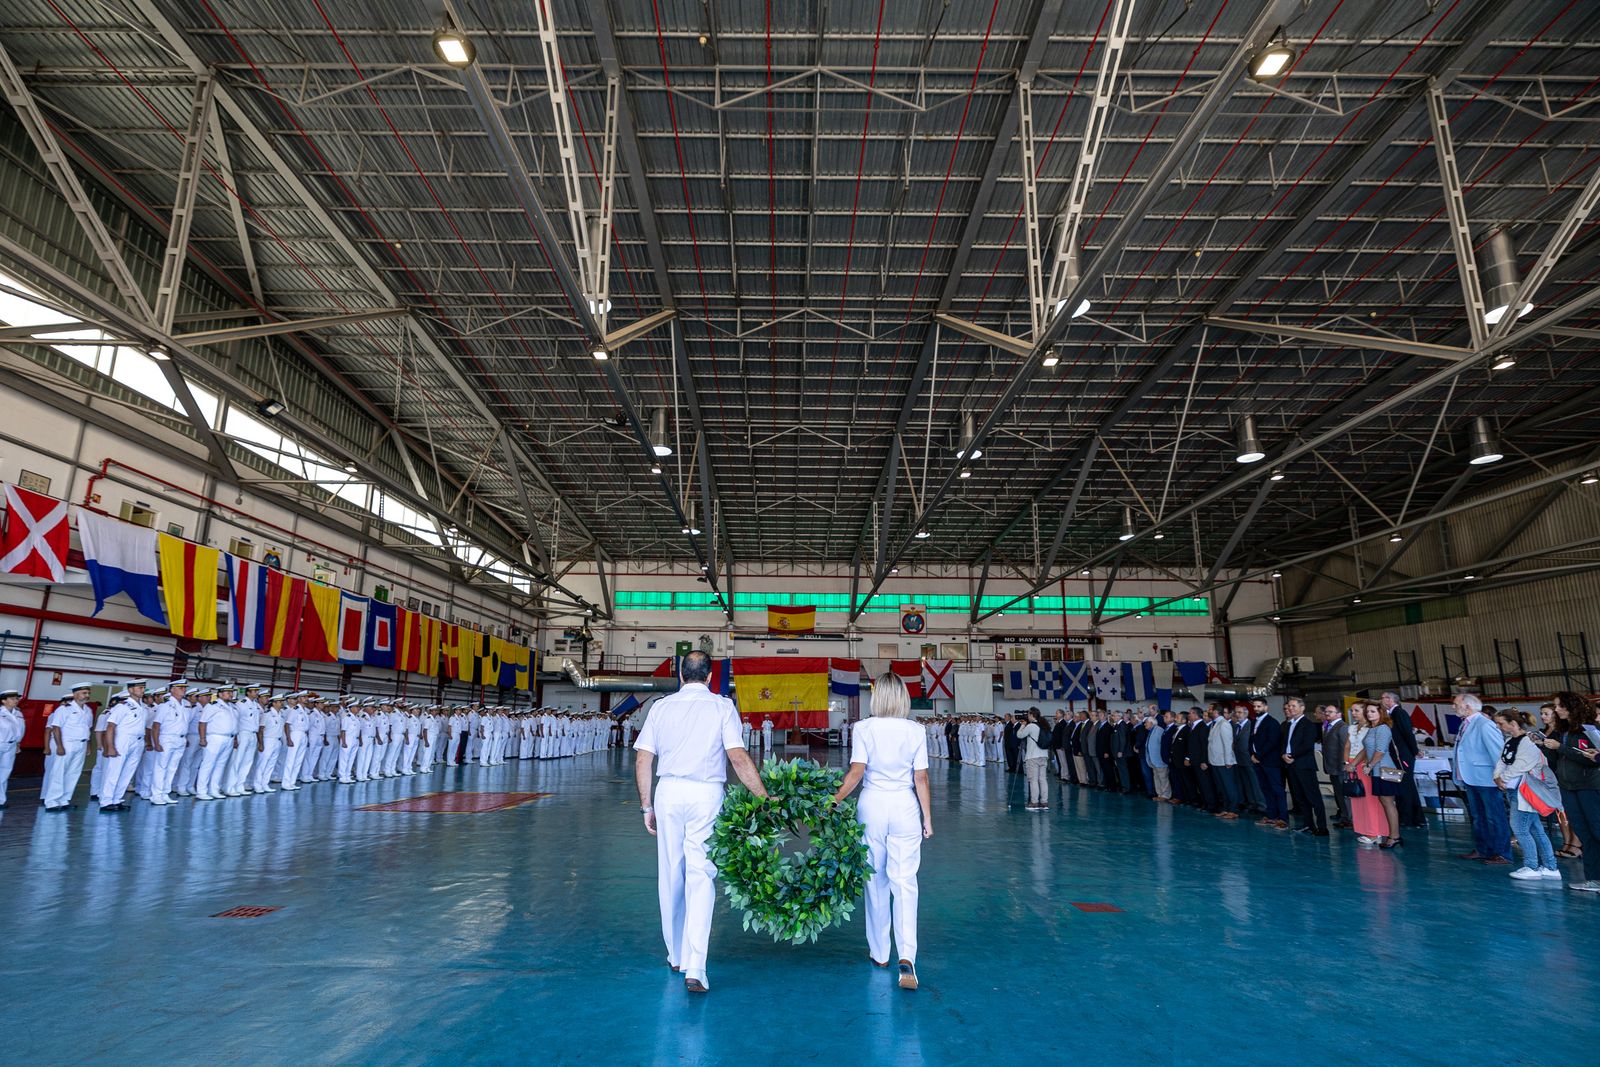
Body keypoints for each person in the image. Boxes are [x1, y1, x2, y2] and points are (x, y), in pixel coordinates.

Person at [634, 651, 769, 993]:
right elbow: (737, 757)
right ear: (710, 677)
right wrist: (763, 797)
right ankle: (696, 966)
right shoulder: (722, 707)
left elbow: (643, 758)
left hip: (668, 792)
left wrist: (646, 806)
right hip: (705, 794)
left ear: (681, 675)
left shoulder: (661, 707)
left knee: (671, 873)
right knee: (701, 874)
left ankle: (675, 955)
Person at [831, 671, 933, 991]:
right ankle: (907, 955)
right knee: (905, 883)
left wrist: (835, 799)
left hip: (872, 806)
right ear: (903, 697)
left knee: (875, 881)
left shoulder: (864, 728)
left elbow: (856, 772)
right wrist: (928, 818)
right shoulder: (916, 730)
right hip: (905, 807)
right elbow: (921, 778)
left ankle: (879, 953)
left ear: (877, 697)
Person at [1538, 691, 1600, 892]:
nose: (1556, 709)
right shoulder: (1561, 731)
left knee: (1597, 830)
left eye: (1559, 705)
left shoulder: (1589, 730)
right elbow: (1556, 760)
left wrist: (1561, 748)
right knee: (1584, 833)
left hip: (1589, 786)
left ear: (1571, 707)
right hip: (1567, 787)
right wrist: (1545, 747)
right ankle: (1594, 878)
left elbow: (1592, 760)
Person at [1492, 709, 1562, 882]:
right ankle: (1550, 867)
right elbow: (1502, 760)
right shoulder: (1509, 740)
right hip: (1514, 789)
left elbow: (1521, 766)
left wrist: (1503, 778)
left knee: (1520, 829)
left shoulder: (1528, 743)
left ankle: (1532, 866)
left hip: (1524, 791)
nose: (1498, 726)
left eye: (1501, 723)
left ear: (1513, 723)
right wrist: (1497, 776)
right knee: (1535, 830)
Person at [1452, 693, 1512, 864]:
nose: (1453, 707)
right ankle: (1483, 849)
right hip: (1471, 778)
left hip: (1486, 779)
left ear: (1467, 707)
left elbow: (1497, 752)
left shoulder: (1484, 724)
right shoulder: (1466, 723)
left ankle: (1503, 853)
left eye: (1456, 704)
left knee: (1494, 816)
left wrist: (1501, 776)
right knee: (1478, 816)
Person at [1349, 703, 1401, 849]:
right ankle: (1392, 835)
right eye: (1368, 711)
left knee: (1388, 803)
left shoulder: (1383, 728)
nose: (1369, 714)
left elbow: (1380, 751)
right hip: (1378, 770)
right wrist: (1356, 763)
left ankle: (1394, 836)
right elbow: (1367, 749)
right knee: (1384, 802)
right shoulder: (1373, 729)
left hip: (1386, 770)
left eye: (1373, 711)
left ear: (1381, 713)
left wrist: (1369, 765)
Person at [1280, 698, 1328, 836]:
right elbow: (1284, 742)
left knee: (1313, 797)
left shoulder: (1308, 724)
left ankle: (1322, 827)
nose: (1291, 708)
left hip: (1304, 765)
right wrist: (1283, 754)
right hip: (1291, 765)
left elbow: (1307, 745)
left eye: (1294, 706)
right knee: (1300, 797)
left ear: (1302, 708)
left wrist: (1292, 755)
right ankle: (1308, 825)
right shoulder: (1288, 724)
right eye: (1289, 706)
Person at [42, 686, 93, 811]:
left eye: (88, 693)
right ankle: (52, 801)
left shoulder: (88, 710)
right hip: (67, 743)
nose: (87, 695)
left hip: (81, 744)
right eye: (84, 693)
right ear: (75, 694)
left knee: (74, 773)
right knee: (58, 772)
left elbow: (88, 729)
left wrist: (88, 745)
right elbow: (56, 728)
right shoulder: (64, 709)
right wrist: (59, 746)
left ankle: (64, 800)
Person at [1346, 703, 1388, 843]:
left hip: (1366, 765)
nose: (1354, 713)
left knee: (1370, 799)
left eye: (1357, 710)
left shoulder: (1374, 728)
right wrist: (1349, 762)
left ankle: (1375, 831)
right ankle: (1365, 829)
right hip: (1355, 763)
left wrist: (1363, 764)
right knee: (1359, 799)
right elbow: (1348, 746)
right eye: (1352, 710)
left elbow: (1370, 749)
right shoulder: (1356, 727)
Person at [1382, 691, 1424, 829]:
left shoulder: (1399, 713)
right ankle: (1415, 817)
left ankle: (1407, 817)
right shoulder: (1389, 715)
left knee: (1404, 785)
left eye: (1383, 698)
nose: (1381, 701)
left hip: (1402, 755)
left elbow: (1408, 733)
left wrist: (1414, 750)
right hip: (1394, 755)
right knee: (1403, 785)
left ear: (1390, 699)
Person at [98, 691, 147, 812]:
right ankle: (106, 801)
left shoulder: (143, 708)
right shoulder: (122, 706)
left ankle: (117, 799)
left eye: (143, 687)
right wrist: (110, 746)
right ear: (131, 690)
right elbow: (110, 727)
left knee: (127, 773)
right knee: (114, 771)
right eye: (139, 687)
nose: (142, 690)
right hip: (123, 740)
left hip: (138, 740)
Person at [147, 680, 190, 806]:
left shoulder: (185, 705)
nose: (183, 689)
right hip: (167, 739)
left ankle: (165, 793)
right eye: (180, 687)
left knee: (172, 768)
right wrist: (156, 743)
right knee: (161, 767)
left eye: (184, 687)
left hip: (180, 739)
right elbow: (156, 725)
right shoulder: (165, 705)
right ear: (172, 689)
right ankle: (156, 795)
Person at [195, 688, 238, 801]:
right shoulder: (212, 706)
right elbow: (202, 722)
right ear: (220, 694)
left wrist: (234, 738)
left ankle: (214, 790)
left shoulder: (232, 707)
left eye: (231, 692)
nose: (230, 694)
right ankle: (201, 791)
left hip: (229, 738)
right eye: (228, 692)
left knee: (220, 765)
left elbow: (233, 724)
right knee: (208, 764)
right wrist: (202, 738)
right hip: (215, 737)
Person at [1250, 701, 1287, 828]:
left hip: (1270, 762)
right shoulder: (1254, 722)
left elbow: (1272, 742)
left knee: (1277, 789)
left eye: (1259, 706)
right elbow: (1251, 740)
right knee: (1265, 789)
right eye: (1254, 706)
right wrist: (1252, 754)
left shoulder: (1272, 722)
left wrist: (1258, 755)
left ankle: (1283, 818)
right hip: (1257, 761)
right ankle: (1271, 815)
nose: (1256, 708)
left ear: (1266, 707)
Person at [1207, 705, 1240, 819]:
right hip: (1215, 760)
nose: (1208, 711)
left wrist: (1228, 760)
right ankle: (1225, 808)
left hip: (1224, 761)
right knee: (1222, 787)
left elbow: (1228, 743)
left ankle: (1233, 809)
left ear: (1216, 711)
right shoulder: (1214, 723)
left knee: (1229, 786)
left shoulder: (1224, 724)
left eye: (1210, 710)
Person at [1320, 704, 1350, 828]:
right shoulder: (1329, 726)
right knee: (1338, 794)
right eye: (1326, 712)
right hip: (1332, 766)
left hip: (1340, 767)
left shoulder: (1342, 727)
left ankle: (1348, 819)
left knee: (1343, 794)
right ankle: (1344, 816)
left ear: (1338, 714)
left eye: (1330, 712)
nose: (1327, 714)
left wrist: (1344, 765)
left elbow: (1344, 747)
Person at [1018, 709, 1049, 811]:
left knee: (1033, 780)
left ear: (1032, 715)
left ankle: (1034, 802)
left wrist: (1023, 725)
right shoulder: (1044, 725)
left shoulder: (1031, 726)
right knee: (1043, 779)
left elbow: (1019, 735)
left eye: (1028, 714)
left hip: (1033, 756)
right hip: (1044, 755)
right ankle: (1044, 803)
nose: (1027, 716)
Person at [0, 688, 23, 808]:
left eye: (17, 698)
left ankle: (0, 801)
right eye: (12, 698)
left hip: (12, 745)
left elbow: (20, 730)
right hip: (1, 743)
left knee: (5, 773)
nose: (16, 700)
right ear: (4, 701)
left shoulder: (18, 713)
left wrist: (18, 743)